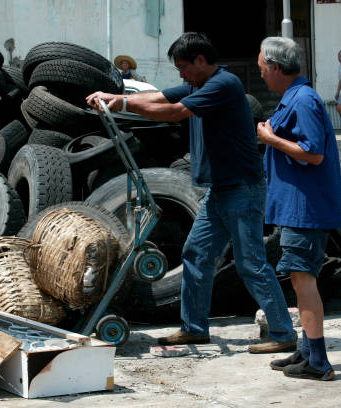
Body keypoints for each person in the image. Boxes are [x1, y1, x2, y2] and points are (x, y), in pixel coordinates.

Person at [87, 32, 296, 354]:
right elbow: (160, 97)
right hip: (219, 192)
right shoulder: (198, 84)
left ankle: (283, 333)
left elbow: (175, 112)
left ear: (201, 61)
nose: (180, 74)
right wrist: (115, 96)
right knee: (196, 254)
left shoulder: (223, 85)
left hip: (243, 190)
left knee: (250, 263)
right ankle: (194, 328)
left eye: (183, 66)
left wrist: (123, 105)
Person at [256, 36, 341, 381]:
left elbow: (313, 153)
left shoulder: (303, 100)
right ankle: (307, 351)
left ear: (276, 67)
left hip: (305, 209)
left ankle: (318, 361)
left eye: (263, 67)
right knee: (299, 278)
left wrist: (270, 139)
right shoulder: (295, 97)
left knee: (303, 281)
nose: (261, 73)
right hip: (298, 207)